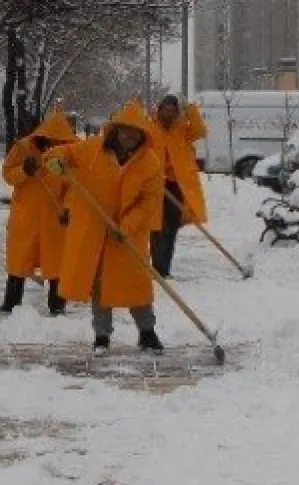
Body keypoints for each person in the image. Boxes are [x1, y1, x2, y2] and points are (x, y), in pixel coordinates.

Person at [44, 100, 165, 356]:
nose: (130, 136)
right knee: (101, 286)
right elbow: (62, 154)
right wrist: (55, 161)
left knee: (137, 285)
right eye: (125, 130)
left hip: (128, 235)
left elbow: (149, 202)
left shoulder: (150, 163)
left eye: (136, 132)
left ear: (143, 134)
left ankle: (147, 332)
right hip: (95, 233)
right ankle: (101, 336)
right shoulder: (92, 150)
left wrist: (126, 226)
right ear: (115, 129)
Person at [0, 110, 79, 315]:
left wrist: (68, 208)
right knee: (18, 262)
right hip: (26, 215)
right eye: (52, 141)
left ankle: (57, 306)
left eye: (60, 142)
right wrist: (24, 170)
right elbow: (8, 175)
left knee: (56, 264)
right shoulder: (23, 148)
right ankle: (11, 304)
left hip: (55, 216)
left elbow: (75, 186)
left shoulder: (70, 154)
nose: (54, 145)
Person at [148, 94, 209, 278]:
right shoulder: (149, 128)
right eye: (165, 109)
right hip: (155, 185)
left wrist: (190, 108)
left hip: (176, 185)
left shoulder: (181, 129)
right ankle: (158, 269)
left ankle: (165, 268)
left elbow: (200, 131)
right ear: (159, 110)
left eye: (173, 111)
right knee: (156, 227)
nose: (168, 114)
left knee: (171, 227)